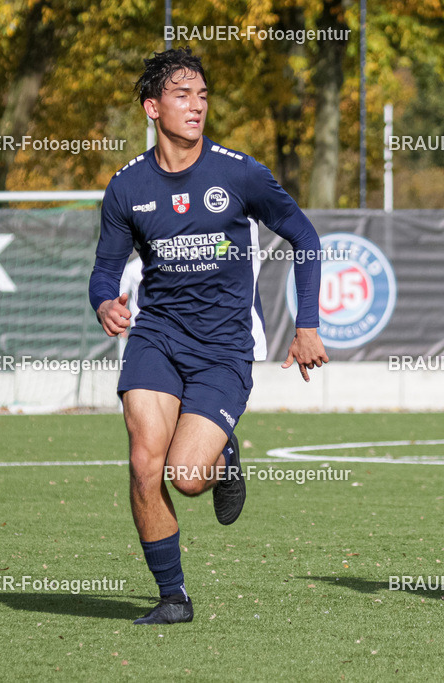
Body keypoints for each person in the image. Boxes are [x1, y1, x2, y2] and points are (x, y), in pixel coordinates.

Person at [88, 48, 328, 625]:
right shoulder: (126, 187)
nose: (196, 106)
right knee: (145, 464)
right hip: (157, 339)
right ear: (152, 107)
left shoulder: (238, 172)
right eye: (181, 95)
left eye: (201, 95)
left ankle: (223, 452)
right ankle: (173, 597)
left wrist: (308, 324)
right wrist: (103, 302)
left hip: (223, 349)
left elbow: (306, 237)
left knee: (187, 478)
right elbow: (104, 270)